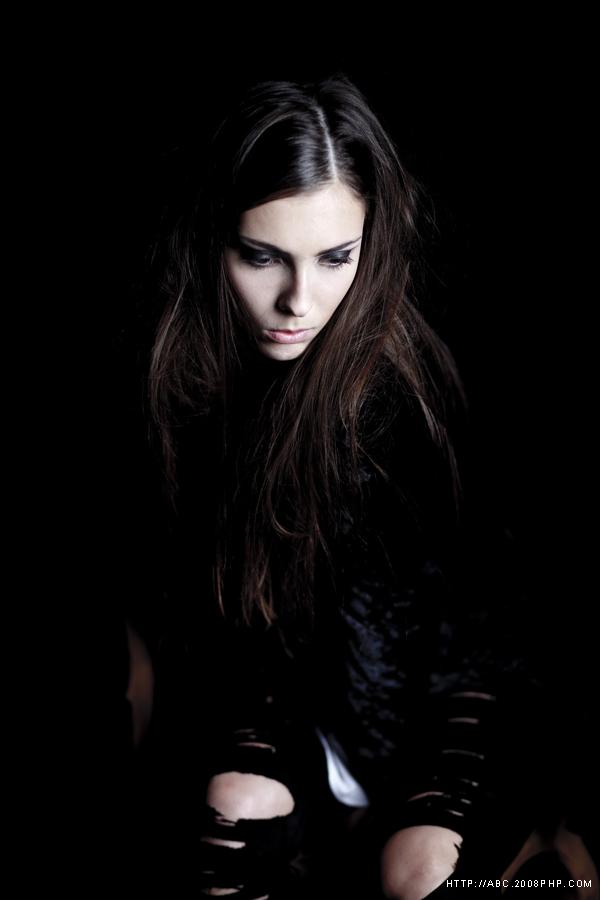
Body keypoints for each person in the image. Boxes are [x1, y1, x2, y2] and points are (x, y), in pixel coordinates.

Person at [114, 74, 596, 899]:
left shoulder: (406, 401)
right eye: (262, 255)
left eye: (336, 257)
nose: (299, 301)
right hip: (300, 690)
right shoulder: (179, 375)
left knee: (420, 875)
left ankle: (551, 863)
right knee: (230, 814)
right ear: (213, 239)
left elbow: (485, 630)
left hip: (443, 694)